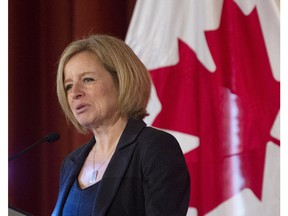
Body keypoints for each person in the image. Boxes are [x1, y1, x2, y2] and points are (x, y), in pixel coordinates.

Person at [52, 34, 190, 216]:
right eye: (68, 86)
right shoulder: (71, 163)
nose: (75, 93)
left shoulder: (154, 148)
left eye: (87, 80)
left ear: (121, 81)